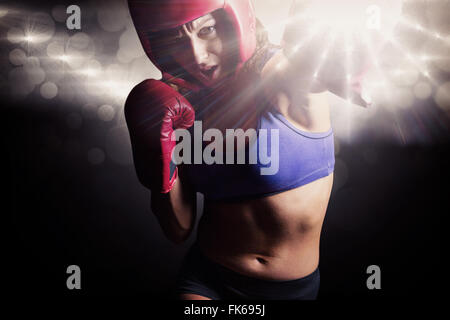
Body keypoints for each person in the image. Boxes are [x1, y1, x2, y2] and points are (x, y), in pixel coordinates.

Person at [125, 0, 369, 300]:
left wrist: (347, 54)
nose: (197, 56)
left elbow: (321, 50)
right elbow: (178, 229)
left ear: (236, 20)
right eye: (175, 40)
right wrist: (155, 156)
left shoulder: (281, 75)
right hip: (205, 278)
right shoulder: (178, 104)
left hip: (288, 290)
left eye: (208, 30)